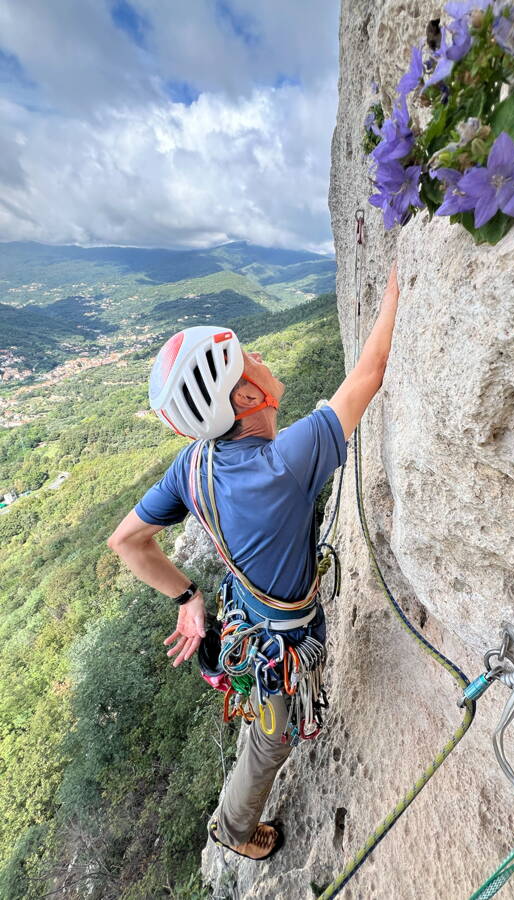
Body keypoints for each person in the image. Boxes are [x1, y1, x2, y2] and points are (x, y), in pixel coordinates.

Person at [107, 261, 400, 861]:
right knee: (272, 741)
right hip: (277, 642)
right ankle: (233, 830)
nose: (262, 358)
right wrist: (401, 278)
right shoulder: (285, 463)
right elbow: (370, 371)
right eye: (251, 359)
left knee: (262, 715)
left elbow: (127, 540)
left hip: (242, 618)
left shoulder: (192, 464)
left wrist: (188, 597)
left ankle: (245, 765)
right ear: (244, 396)